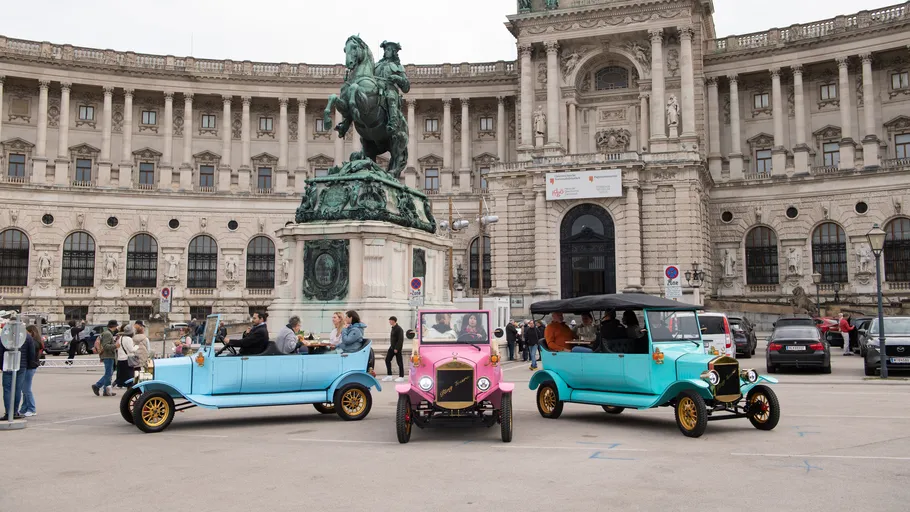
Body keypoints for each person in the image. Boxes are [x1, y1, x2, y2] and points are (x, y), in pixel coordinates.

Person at [1, 324, 36, 419]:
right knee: (17, 389)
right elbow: (32, 353)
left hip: (8, 365)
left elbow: (1, 351)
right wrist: (28, 365)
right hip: (21, 366)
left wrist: (1, 365)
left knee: (7, 389)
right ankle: (15, 412)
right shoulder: (27, 336)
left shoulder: (5, 335)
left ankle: (8, 412)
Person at [18, 325, 42, 417]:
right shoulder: (34, 341)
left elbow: (30, 355)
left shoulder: (33, 342)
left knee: (26, 389)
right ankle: (24, 408)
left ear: (31, 332)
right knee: (25, 389)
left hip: (30, 367)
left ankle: (32, 409)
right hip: (30, 366)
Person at [91, 320, 120, 397]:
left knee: (109, 373)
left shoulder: (107, 333)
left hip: (108, 355)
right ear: (114, 326)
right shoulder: (108, 334)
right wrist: (115, 346)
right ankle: (101, 388)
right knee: (108, 374)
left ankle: (105, 389)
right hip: (108, 355)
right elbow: (106, 346)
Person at [384, 316, 405, 382]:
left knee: (399, 362)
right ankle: (389, 375)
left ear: (393, 321)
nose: (389, 322)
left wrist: (397, 348)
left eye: (390, 320)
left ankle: (401, 376)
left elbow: (400, 340)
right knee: (387, 360)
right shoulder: (393, 328)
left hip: (397, 348)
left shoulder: (399, 329)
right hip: (392, 347)